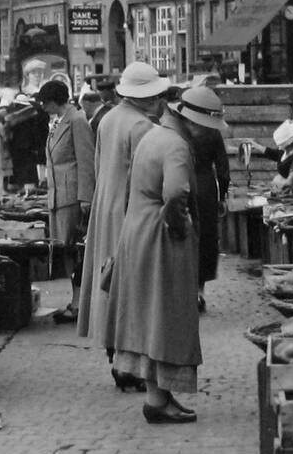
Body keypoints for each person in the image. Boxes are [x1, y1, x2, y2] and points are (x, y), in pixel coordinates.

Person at [104, 85, 225, 424]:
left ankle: (160, 396)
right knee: (167, 316)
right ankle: (158, 401)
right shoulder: (177, 146)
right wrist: (179, 228)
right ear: (197, 123)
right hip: (161, 238)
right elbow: (175, 194)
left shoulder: (154, 136)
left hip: (139, 231)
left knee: (151, 316)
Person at [78, 61, 170, 389]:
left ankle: (113, 357)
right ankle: (128, 365)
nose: (161, 101)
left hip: (106, 211)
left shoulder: (108, 119)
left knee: (108, 284)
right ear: (146, 97)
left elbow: (101, 165)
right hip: (131, 214)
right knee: (133, 287)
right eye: (157, 95)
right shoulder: (143, 127)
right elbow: (144, 180)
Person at [38, 80, 95, 324]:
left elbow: (86, 160)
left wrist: (85, 197)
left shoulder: (77, 120)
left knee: (74, 251)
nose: (42, 106)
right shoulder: (58, 121)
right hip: (57, 196)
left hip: (72, 196)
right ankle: (74, 301)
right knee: (65, 253)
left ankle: (79, 303)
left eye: (45, 101)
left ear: (55, 100)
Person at [189, 99, 230, 313]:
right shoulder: (212, 132)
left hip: (184, 182)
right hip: (205, 188)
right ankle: (199, 292)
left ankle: (183, 290)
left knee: (186, 236)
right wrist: (222, 196)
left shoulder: (180, 130)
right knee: (205, 238)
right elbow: (223, 169)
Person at [244, 119, 293, 191]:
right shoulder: (284, 152)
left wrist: (268, 187)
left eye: (281, 144)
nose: (279, 147)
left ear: (288, 143)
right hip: (279, 186)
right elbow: (272, 153)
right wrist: (256, 145)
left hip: (289, 188)